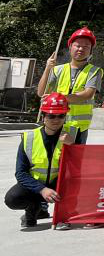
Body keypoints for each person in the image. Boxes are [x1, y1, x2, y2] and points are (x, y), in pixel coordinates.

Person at [7, 94, 81, 232]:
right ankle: (34, 208)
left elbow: (82, 167)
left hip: (60, 183)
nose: (56, 120)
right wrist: (42, 189)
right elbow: (21, 173)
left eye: (61, 116)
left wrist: (74, 146)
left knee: (75, 186)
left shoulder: (73, 134)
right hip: (36, 185)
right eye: (51, 116)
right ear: (43, 117)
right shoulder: (30, 138)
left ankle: (63, 217)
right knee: (12, 198)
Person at [37, 28, 103, 142]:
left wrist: (59, 99)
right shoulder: (57, 70)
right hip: (55, 123)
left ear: (91, 51)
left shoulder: (95, 71)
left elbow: (87, 94)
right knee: (52, 158)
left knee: (75, 158)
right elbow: (41, 93)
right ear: (70, 47)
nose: (81, 49)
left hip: (79, 128)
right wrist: (48, 69)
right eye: (77, 45)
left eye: (86, 46)